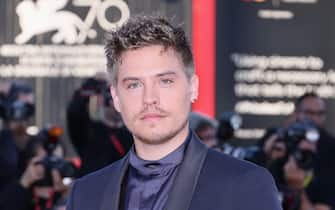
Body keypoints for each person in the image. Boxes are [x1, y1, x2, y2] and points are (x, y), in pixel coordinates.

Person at [66, 15, 281, 210]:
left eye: (165, 81)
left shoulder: (246, 185)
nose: (150, 98)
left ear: (193, 88)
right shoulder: (85, 194)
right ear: (116, 98)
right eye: (134, 85)